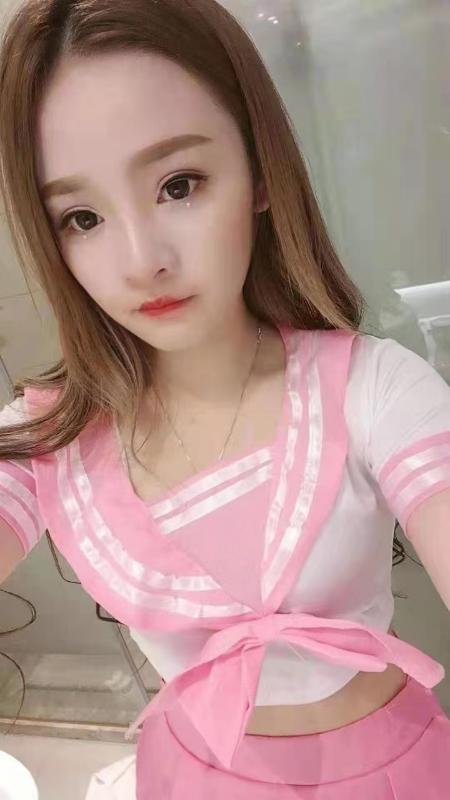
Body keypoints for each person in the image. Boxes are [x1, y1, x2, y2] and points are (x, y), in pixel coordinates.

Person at [0, 1, 449, 797]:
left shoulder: (374, 389)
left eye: (179, 184)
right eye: (82, 217)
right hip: (190, 774)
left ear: (259, 172)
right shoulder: (47, 439)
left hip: (395, 771)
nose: (142, 260)